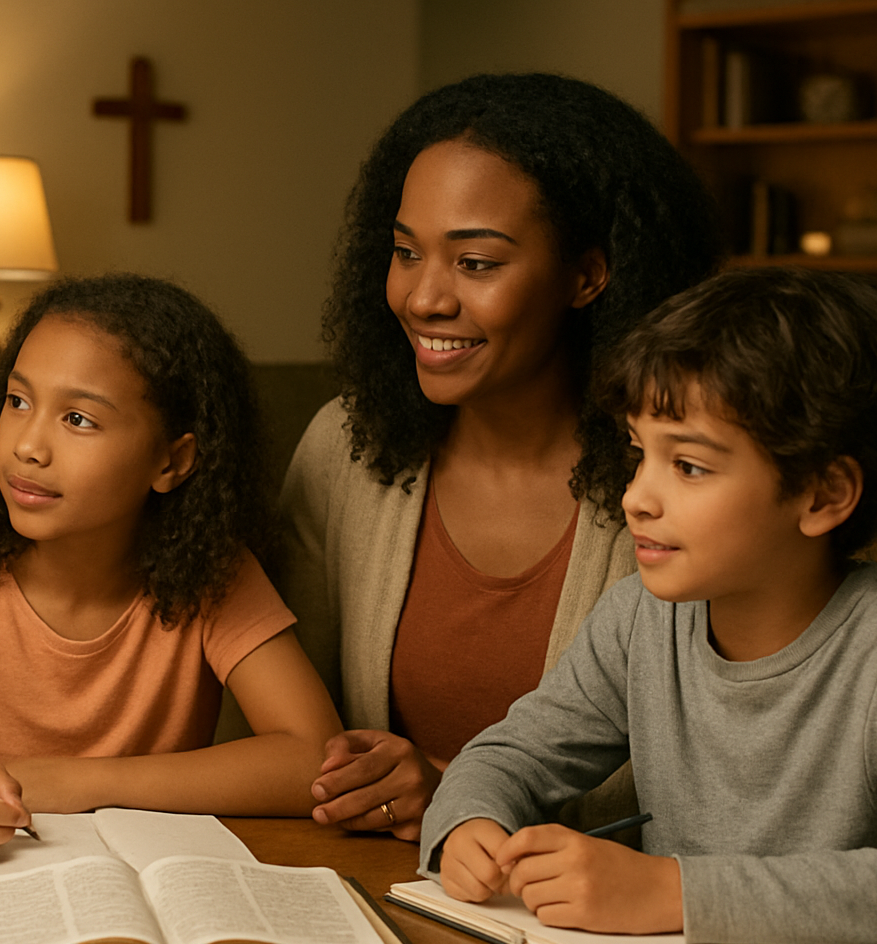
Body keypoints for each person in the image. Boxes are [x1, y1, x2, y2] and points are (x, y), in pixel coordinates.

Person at [425, 267, 877, 944]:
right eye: (638, 453)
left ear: (824, 495)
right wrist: (470, 821)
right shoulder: (637, 622)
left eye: (690, 466)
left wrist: (673, 893)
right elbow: (510, 756)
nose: (637, 498)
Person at [0, 274, 343, 861]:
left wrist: (78, 783)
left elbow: (314, 758)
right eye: (18, 402)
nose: (29, 446)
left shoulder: (213, 575)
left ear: (173, 461)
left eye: (77, 420)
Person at [286, 73, 721, 839]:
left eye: (476, 263)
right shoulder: (343, 451)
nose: (424, 298)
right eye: (405, 252)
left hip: (601, 923)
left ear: (588, 276)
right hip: (373, 892)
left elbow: (716, 780)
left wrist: (454, 790)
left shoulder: (683, 480)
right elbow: (289, 730)